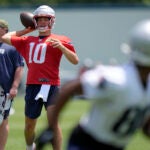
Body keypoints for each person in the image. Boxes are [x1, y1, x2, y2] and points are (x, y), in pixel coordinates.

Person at [35, 19, 150, 150]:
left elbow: (142, 121)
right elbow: (68, 89)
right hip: (87, 142)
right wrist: (51, 127)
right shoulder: (116, 78)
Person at [2, 5, 79, 150]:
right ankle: (30, 146)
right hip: (33, 86)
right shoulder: (27, 40)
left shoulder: (61, 39)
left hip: (52, 86)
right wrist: (26, 30)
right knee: (29, 125)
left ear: (52, 21)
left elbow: (75, 60)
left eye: (46, 19)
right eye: (39, 19)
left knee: (53, 122)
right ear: (35, 21)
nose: (43, 22)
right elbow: (4, 37)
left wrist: (62, 48)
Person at [0, 19, 24, 150]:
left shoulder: (12, 47)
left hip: (4, 90)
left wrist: (15, 87)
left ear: (5, 30)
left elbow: (19, 67)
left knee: (4, 120)